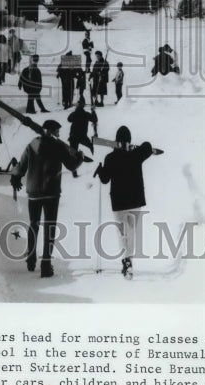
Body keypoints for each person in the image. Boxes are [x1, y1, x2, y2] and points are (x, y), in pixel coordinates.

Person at [10, 119, 83, 277]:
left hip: (34, 193)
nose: (58, 134)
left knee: (33, 224)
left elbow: (21, 167)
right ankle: (46, 264)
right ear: (51, 131)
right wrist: (80, 159)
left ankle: (31, 260)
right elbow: (71, 165)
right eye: (57, 131)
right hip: (51, 193)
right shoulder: (58, 146)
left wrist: (15, 176)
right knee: (49, 227)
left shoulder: (32, 145)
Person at [96, 125, 155, 279]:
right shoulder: (137, 154)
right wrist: (134, 147)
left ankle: (126, 261)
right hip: (136, 201)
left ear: (116, 141)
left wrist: (101, 169)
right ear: (129, 140)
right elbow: (148, 147)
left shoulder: (110, 158)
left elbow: (104, 180)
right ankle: (128, 261)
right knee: (131, 232)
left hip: (119, 202)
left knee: (123, 234)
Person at [67, 100, 98, 176]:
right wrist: (93, 111)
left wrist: (74, 111)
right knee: (90, 145)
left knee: (73, 154)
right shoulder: (86, 114)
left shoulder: (75, 114)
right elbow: (95, 119)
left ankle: (74, 172)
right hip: (82, 136)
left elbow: (69, 119)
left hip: (73, 136)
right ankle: (94, 156)